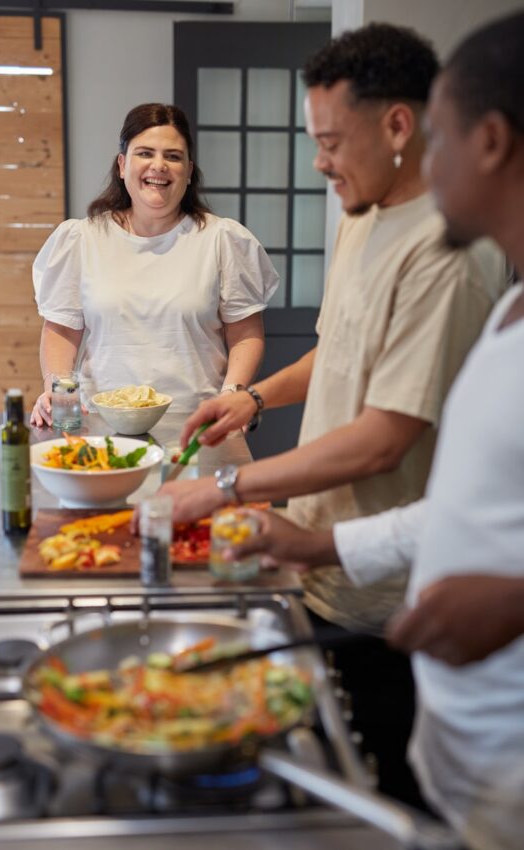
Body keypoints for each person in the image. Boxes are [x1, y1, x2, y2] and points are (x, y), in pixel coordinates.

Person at [157, 25, 507, 806]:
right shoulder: (359, 214)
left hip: (386, 596)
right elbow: (336, 352)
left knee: (379, 785)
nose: (318, 162)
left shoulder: (446, 254)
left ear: (397, 126)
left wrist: (224, 490)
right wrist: (249, 397)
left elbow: (385, 439)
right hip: (313, 565)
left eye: (329, 141)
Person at [30, 102, 278, 426]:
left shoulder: (222, 239)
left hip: (198, 424)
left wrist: (232, 392)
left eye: (173, 157)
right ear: (122, 165)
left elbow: (245, 332)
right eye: (145, 153)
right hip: (101, 423)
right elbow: (61, 329)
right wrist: (57, 391)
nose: (158, 166)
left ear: (189, 171)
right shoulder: (81, 239)